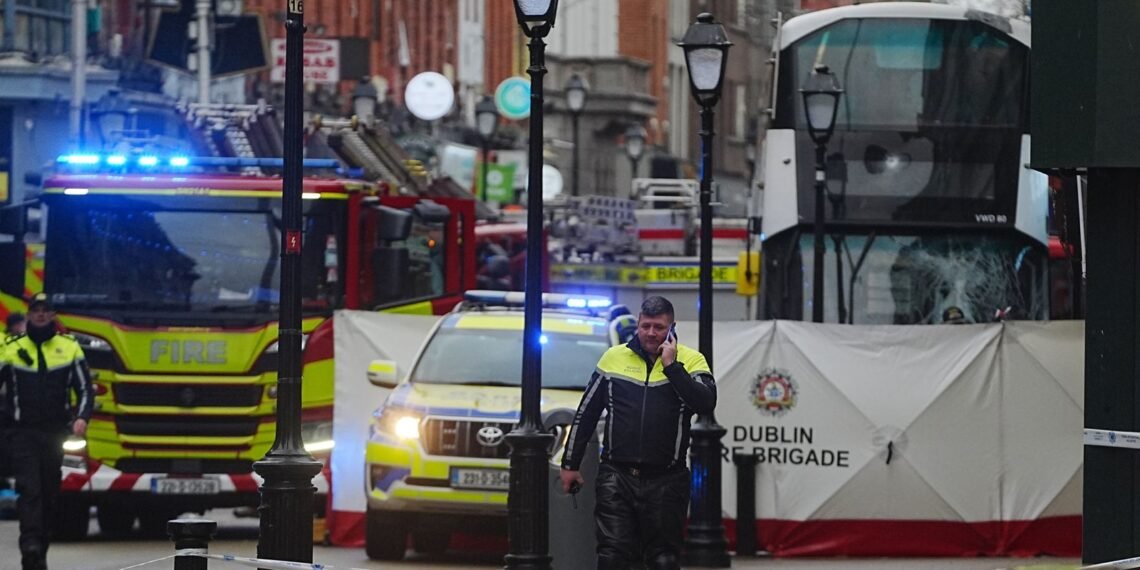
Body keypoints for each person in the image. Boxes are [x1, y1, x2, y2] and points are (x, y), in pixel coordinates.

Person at [559, 296, 717, 570]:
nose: (651, 333)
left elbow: (705, 403)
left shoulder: (691, 360)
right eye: (645, 326)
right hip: (617, 476)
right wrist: (570, 464)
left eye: (658, 327)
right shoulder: (613, 358)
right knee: (612, 555)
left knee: (663, 559)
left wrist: (672, 368)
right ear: (638, 324)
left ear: (672, 328)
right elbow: (586, 413)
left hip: (667, 480)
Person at [0, 293, 93, 570]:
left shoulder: (69, 348)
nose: (40, 315)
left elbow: (86, 388)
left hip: (55, 432)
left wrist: (82, 418)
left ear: (53, 315)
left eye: (45, 311)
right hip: (22, 432)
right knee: (30, 490)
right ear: (28, 315)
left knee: (50, 492)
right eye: (36, 310)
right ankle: (30, 545)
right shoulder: (11, 348)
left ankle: (39, 551)